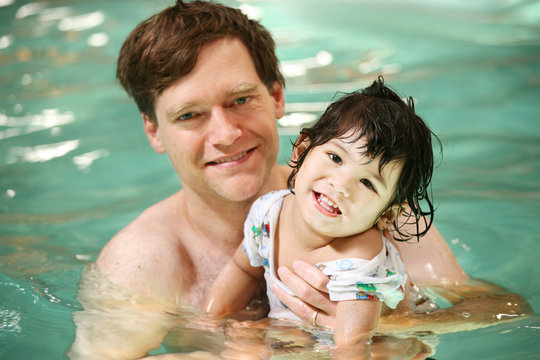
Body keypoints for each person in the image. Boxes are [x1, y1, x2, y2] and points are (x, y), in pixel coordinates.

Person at [69, 1, 532, 359]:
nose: (227, 134)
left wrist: (390, 324)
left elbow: (501, 311)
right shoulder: (140, 267)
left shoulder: (366, 204)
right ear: (155, 131)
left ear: (276, 96)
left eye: (241, 100)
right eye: (189, 115)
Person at [204, 78, 439, 354]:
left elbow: (352, 349)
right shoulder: (268, 213)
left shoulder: (360, 259)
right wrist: (209, 323)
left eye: (367, 183)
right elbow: (243, 269)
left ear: (386, 215)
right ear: (301, 150)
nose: (341, 186)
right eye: (336, 158)